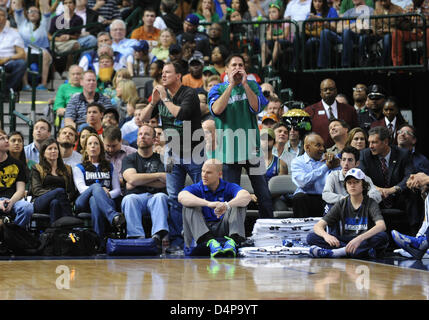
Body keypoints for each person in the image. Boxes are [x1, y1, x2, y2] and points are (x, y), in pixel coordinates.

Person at [141, 61, 203, 249]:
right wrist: (153, 101)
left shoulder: (189, 93)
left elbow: (181, 114)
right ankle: (177, 241)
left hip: (194, 151)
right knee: (173, 197)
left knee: (201, 193)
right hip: (170, 153)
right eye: (162, 73)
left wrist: (165, 98)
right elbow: (143, 119)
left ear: (178, 76)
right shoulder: (160, 98)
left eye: (168, 72)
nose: (163, 75)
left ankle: (202, 237)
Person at [208, 54, 274, 219]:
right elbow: (217, 110)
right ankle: (234, 233)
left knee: (264, 193)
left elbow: (257, 107)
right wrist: (230, 85)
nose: (237, 68)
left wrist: (244, 84)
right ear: (226, 69)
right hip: (229, 151)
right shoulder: (217, 89)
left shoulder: (252, 85)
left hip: (252, 149)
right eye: (234, 65)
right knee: (232, 197)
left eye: (241, 65)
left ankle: (269, 230)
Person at [307, 168, 389, 258]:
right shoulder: (342, 203)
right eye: (349, 183)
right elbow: (318, 226)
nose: (352, 185)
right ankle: (358, 252)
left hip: (363, 240)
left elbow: (381, 226)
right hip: (345, 240)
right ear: (345, 186)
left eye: (356, 182)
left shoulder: (370, 203)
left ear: (363, 185)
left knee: (382, 237)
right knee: (311, 237)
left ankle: (340, 252)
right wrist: (326, 236)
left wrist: (359, 239)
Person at [178, 158, 252, 258]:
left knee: (239, 203)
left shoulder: (228, 186)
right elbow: (181, 196)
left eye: (208, 172)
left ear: (219, 174)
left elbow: (246, 196)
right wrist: (208, 204)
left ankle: (233, 242)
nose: (204, 175)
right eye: (203, 171)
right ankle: (209, 242)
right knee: (188, 205)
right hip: (201, 230)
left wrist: (227, 205)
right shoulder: (197, 187)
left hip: (223, 227)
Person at [359, 126, 420, 234]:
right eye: (369, 142)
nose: (370, 146)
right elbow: (362, 177)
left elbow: (409, 176)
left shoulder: (403, 154)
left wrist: (392, 190)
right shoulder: (365, 154)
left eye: (374, 142)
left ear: (385, 142)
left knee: (412, 194)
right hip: (376, 197)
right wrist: (378, 189)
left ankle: (415, 235)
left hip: (398, 196)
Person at [121, 125, 169, 250]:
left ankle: (158, 236)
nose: (142, 136)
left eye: (147, 134)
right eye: (140, 134)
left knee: (160, 197)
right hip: (137, 198)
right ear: (137, 139)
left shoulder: (161, 159)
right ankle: (136, 238)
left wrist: (137, 181)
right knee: (129, 199)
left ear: (154, 140)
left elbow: (165, 182)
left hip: (155, 197)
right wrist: (157, 175)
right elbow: (131, 179)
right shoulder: (129, 159)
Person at [73, 133, 124, 244]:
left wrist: (106, 194)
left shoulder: (110, 166)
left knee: (95, 201)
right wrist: (100, 189)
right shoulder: (79, 167)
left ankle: (98, 241)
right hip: (82, 202)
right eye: (90, 144)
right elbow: (82, 189)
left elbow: (117, 190)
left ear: (100, 148)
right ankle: (113, 216)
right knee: (95, 187)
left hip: (104, 200)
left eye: (96, 143)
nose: (93, 146)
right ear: (85, 148)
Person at [291, 132, 340, 218]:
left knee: (334, 198)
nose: (322, 149)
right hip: (306, 198)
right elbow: (303, 182)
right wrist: (326, 167)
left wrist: (337, 164)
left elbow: (339, 179)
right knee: (299, 198)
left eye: (323, 145)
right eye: (318, 145)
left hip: (325, 198)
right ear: (307, 147)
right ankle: (302, 230)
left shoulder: (328, 160)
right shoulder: (297, 162)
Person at [30, 138, 76, 224]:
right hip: (40, 201)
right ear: (43, 153)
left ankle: (53, 233)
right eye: (50, 149)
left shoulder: (67, 169)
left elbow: (71, 191)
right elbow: (36, 190)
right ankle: (71, 223)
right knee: (59, 191)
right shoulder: (37, 168)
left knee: (55, 203)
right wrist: (55, 193)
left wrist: (59, 195)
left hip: (61, 201)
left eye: (55, 148)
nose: (53, 151)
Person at [323, 145, 382, 211]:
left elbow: (377, 195)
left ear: (357, 163)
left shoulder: (364, 177)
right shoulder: (333, 176)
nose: (346, 163)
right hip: (339, 212)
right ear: (340, 162)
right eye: (344, 160)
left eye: (350, 160)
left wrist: (361, 201)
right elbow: (326, 194)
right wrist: (348, 200)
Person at [304, 78, 358, 148]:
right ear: (320, 93)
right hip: (319, 154)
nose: (328, 92)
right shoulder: (309, 111)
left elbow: (355, 132)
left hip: (345, 152)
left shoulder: (349, 110)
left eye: (331, 89)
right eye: (325, 90)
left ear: (336, 91)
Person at [13, 0, 52, 91]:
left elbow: (45, 6)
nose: (33, 13)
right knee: (22, 55)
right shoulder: (21, 22)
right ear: (27, 14)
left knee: (45, 55)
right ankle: (25, 85)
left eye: (35, 11)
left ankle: (43, 83)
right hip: (26, 49)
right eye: (30, 11)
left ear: (39, 14)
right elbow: (18, 5)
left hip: (41, 49)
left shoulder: (44, 24)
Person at [0, 129, 33, 227]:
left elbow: (20, 190)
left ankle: (14, 234)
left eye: (6, 138)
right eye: (2, 139)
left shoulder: (17, 164)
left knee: (27, 207)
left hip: (12, 199)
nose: (6, 141)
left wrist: (11, 202)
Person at [49, 0, 83, 73]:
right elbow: (49, 35)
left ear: (74, 5)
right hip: (56, 42)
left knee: (76, 45)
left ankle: (67, 70)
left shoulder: (79, 19)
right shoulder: (55, 18)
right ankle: (54, 72)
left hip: (69, 42)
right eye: (65, 3)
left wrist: (69, 36)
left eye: (70, 2)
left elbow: (77, 36)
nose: (68, 5)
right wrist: (58, 39)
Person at [0, 6, 26, 94]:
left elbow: (22, 54)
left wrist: (7, 58)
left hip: (8, 62)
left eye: (1, 15)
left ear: (6, 18)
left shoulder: (13, 34)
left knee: (21, 63)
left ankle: (6, 91)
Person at [102, 125, 136, 190]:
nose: (110, 149)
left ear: (121, 141)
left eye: (114, 146)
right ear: (103, 141)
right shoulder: (98, 154)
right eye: (107, 146)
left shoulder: (132, 153)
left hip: (127, 192)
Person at [374, 0, 404, 66]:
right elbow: (375, 28)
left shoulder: (398, 9)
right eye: (382, 1)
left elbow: (402, 25)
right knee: (386, 37)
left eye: (385, 1)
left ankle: (384, 64)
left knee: (388, 37)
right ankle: (385, 64)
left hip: (394, 35)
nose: (383, 2)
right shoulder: (376, 11)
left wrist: (388, 30)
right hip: (380, 36)